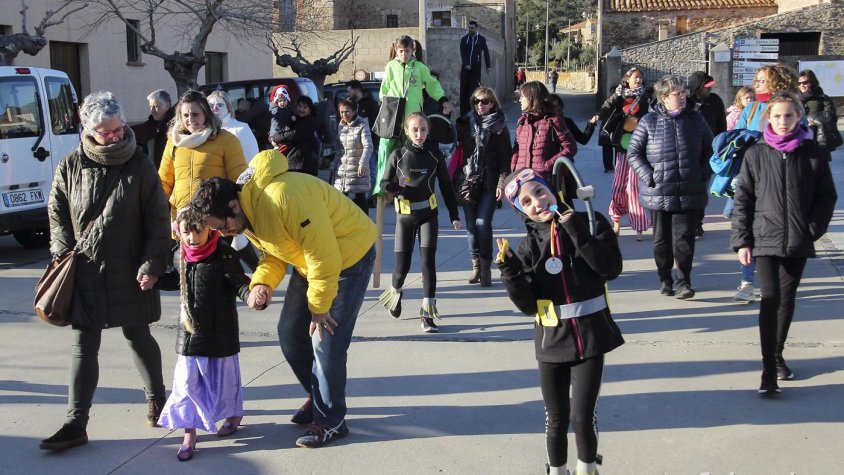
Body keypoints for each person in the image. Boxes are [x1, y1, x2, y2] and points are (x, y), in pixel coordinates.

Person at [189, 149, 376, 448]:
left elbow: (324, 257)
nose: (222, 234)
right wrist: (261, 283)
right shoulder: (246, 212)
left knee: (324, 340)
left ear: (233, 205)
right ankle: (319, 398)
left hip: (348, 257)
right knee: (289, 332)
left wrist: (318, 309)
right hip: (312, 262)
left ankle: (330, 421)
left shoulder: (283, 197)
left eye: (220, 226)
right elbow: (274, 254)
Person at [40, 91, 170, 451]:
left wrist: (152, 263)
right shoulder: (70, 165)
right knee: (83, 345)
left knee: (137, 335)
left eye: (118, 129)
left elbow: (159, 219)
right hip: (85, 271)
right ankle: (75, 422)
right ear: (88, 130)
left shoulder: (140, 165)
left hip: (131, 269)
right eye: (106, 132)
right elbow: (57, 213)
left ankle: (158, 400)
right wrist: (62, 252)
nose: (114, 136)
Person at [497, 168, 623, 475]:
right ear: (520, 210)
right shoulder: (529, 248)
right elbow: (528, 306)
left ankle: (588, 466)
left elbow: (610, 268)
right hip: (551, 343)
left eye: (539, 192)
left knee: (582, 416)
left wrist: (576, 229)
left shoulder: (591, 222)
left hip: (590, 338)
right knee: (555, 417)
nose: (537, 203)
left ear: (550, 188)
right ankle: (556, 470)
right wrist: (511, 271)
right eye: (526, 202)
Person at [730, 92, 836, 395]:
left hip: (798, 239)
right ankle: (767, 369)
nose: (783, 122)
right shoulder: (756, 154)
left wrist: (812, 228)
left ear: (798, 117)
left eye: (789, 116)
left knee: (787, 299)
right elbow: (743, 201)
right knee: (770, 297)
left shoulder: (813, 153)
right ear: (768, 118)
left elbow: (826, 196)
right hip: (764, 237)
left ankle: (777, 356)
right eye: (777, 116)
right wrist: (742, 240)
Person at [155, 207, 251, 461]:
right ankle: (190, 433)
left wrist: (252, 295)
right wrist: (153, 280)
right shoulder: (179, 255)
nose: (192, 238)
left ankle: (233, 414)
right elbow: (172, 280)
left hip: (221, 332)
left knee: (223, 382)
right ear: (179, 232)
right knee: (186, 384)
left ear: (209, 228)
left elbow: (239, 282)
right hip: (189, 334)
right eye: (187, 232)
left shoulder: (223, 254)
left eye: (198, 231)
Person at [627, 75, 714, 299]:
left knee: (684, 240)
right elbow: (633, 153)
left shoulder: (696, 119)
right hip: (659, 191)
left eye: (684, 92)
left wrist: (703, 174)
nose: (683, 96)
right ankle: (665, 279)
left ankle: (684, 282)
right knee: (661, 240)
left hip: (689, 188)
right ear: (664, 97)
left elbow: (709, 149)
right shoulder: (648, 121)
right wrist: (649, 176)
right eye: (678, 93)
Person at [378, 113, 461, 332]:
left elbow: (445, 184)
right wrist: (395, 187)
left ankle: (427, 315)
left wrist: (454, 214)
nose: (419, 134)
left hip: (428, 215)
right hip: (404, 217)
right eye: (414, 129)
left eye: (423, 129)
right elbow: (384, 183)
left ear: (428, 131)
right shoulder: (398, 154)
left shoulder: (434, 155)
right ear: (406, 131)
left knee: (428, 264)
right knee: (401, 268)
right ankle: (396, 291)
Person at [731, 64, 800, 303]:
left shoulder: (788, 109)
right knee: (747, 229)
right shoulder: (750, 108)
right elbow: (735, 138)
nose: (757, 85)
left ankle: (775, 281)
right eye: (756, 80)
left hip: (782, 182)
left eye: (762, 81)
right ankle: (747, 281)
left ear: (776, 82)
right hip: (751, 178)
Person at [373, 35, 452, 195]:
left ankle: (411, 184)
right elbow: (384, 88)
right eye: (401, 51)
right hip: (393, 114)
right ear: (396, 50)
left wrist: (442, 99)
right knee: (386, 147)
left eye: (407, 51)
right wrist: (384, 106)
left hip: (412, 118)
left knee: (410, 151)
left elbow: (432, 85)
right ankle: (381, 186)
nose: (404, 54)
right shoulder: (390, 66)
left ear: (413, 50)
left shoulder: (420, 67)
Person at [159, 90, 248, 221]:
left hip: (216, 220)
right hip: (184, 223)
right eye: (185, 115)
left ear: (206, 113)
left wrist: (237, 218)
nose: (190, 120)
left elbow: (239, 182)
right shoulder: (173, 142)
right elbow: (164, 182)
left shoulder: (226, 140)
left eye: (195, 114)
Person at [455, 87, 511, 287]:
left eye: (485, 101)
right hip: (469, 181)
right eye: (476, 102)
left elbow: (506, 158)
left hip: (489, 181)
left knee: (482, 223)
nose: (480, 105)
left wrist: (502, 183)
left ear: (493, 103)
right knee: (471, 227)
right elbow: (447, 137)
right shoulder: (465, 123)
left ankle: (486, 269)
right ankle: (476, 268)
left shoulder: (500, 126)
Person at [591, 67, 652, 239]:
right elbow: (606, 107)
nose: (638, 80)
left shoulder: (646, 97)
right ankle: (616, 219)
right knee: (618, 187)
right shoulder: (619, 94)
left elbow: (654, 114)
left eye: (640, 77)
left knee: (633, 187)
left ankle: (639, 226)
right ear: (627, 79)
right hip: (622, 148)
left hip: (639, 148)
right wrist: (598, 116)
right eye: (635, 77)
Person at [511, 81, 577, 182]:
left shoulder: (553, 121)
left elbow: (570, 147)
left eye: (522, 97)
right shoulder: (522, 122)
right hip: (521, 180)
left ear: (532, 98)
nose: (520, 100)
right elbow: (517, 148)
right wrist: (514, 166)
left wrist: (546, 165)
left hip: (544, 181)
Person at [687, 71, 727, 238]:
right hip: (688, 152)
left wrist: (721, 147)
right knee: (688, 189)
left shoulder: (715, 101)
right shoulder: (686, 102)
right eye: (706, 87)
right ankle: (688, 222)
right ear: (697, 87)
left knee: (702, 188)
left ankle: (697, 222)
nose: (709, 89)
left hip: (708, 153)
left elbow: (721, 126)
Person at [332, 98, 373, 213]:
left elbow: (368, 146)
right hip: (343, 168)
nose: (344, 115)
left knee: (360, 197)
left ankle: (365, 224)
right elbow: (339, 149)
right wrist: (334, 165)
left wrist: (362, 163)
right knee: (340, 197)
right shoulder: (341, 126)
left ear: (354, 111)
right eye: (341, 112)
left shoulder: (362, 125)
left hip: (357, 167)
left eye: (347, 111)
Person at [272, 95, 320, 176]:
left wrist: (276, 138)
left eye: (305, 107)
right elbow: (281, 129)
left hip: (303, 165)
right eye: (300, 106)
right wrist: (272, 137)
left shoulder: (310, 122)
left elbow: (293, 134)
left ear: (310, 110)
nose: (301, 109)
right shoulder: (294, 119)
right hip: (293, 162)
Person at [346, 80, 380, 191]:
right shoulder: (350, 104)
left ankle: (370, 197)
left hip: (368, 142)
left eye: (349, 91)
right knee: (355, 171)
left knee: (371, 170)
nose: (348, 94)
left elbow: (376, 125)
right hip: (353, 143)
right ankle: (360, 194)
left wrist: (375, 144)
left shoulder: (371, 104)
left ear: (356, 90)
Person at [208, 90, 260, 161]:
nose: (215, 109)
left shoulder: (241, 129)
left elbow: (252, 160)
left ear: (228, 108)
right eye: (211, 106)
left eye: (220, 105)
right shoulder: (205, 130)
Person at [132, 89, 175, 169]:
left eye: (156, 107)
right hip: (152, 174)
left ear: (167, 106)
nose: (152, 110)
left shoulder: (176, 126)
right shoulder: (148, 126)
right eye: (151, 107)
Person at [798, 69, 840, 152]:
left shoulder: (823, 98)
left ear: (812, 82)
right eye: (799, 83)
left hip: (818, 142)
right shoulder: (795, 99)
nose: (802, 85)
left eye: (805, 82)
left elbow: (831, 118)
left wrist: (815, 121)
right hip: (800, 141)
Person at [459, 20, 491, 115]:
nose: (470, 29)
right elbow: (463, 53)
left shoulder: (481, 39)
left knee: (474, 90)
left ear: (476, 28)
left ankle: (473, 111)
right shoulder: (464, 39)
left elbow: (486, 52)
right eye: (469, 28)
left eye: (472, 28)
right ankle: (463, 113)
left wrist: (488, 65)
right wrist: (466, 64)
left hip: (476, 67)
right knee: (463, 89)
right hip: (465, 68)